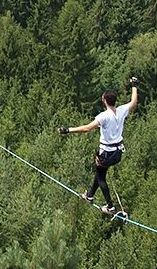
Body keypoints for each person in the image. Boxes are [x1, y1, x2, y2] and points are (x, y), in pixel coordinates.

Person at [59, 76, 139, 215]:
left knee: (101, 177)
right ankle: (89, 195)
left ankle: (110, 207)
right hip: (117, 153)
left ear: (104, 100)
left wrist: (68, 130)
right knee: (99, 172)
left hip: (106, 153)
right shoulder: (121, 110)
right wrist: (134, 86)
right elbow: (133, 102)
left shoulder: (104, 116)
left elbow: (87, 128)